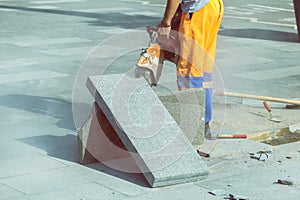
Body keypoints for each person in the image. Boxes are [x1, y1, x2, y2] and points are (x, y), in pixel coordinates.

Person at [157, 0, 224, 139]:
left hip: (197, 13)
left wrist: (166, 22)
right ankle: (204, 123)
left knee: (189, 71)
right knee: (203, 71)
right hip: (212, 7)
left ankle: (193, 129)